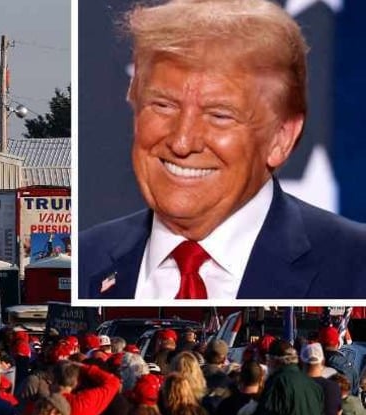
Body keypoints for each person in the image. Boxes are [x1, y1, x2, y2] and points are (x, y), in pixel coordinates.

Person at [78, 0, 366, 300]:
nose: (182, 142)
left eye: (219, 115)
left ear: (281, 138)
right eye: (163, 105)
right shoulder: (86, 260)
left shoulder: (355, 267)